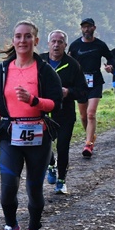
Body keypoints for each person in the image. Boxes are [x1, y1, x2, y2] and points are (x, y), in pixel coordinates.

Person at [0, 21, 62, 230]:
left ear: (36, 41)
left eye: (28, 36)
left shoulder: (45, 70)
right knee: (7, 189)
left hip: (38, 135)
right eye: (18, 36)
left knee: (34, 189)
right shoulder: (2, 70)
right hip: (10, 133)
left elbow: (55, 103)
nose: (23, 41)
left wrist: (33, 101)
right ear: (13, 40)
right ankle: (11, 226)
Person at [39, 29, 87, 195]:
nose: (56, 45)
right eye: (53, 41)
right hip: (43, 111)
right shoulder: (39, 61)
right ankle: (51, 164)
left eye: (60, 42)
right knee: (44, 144)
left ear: (65, 45)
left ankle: (61, 181)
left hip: (65, 112)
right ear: (48, 44)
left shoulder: (73, 65)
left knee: (62, 146)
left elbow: (82, 91)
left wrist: (68, 92)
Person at [67, 18, 113, 158]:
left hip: (95, 81)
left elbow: (111, 57)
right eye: (84, 27)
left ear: (94, 28)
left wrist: (110, 66)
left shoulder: (100, 44)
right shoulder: (75, 45)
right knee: (83, 116)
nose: (86, 29)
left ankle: (88, 144)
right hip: (80, 83)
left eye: (89, 27)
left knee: (91, 113)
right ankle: (91, 136)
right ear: (81, 29)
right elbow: (68, 61)